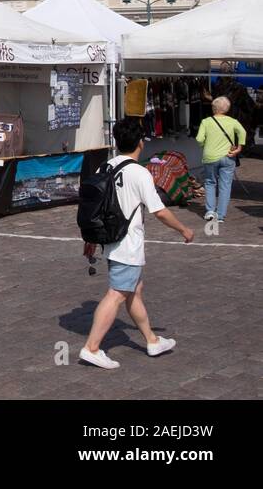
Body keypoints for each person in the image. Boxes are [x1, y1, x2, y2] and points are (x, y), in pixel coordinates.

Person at [79, 117, 194, 370]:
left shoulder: (105, 167)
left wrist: (90, 240)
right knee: (117, 294)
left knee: (134, 290)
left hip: (109, 242)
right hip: (127, 244)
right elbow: (160, 211)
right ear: (141, 142)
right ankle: (92, 347)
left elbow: (92, 207)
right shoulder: (140, 173)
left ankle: (152, 340)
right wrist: (184, 229)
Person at [194, 95, 246, 223]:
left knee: (210, 183)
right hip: (228, 156)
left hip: (210, 157)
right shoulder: (232, 121)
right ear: (227, 109)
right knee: (225, 186)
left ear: (213, 108)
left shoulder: (206, 122)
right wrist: (239, 148)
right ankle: (221, 215)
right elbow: (243, 132)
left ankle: (210, 211)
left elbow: (199, 139)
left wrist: (205, 146)